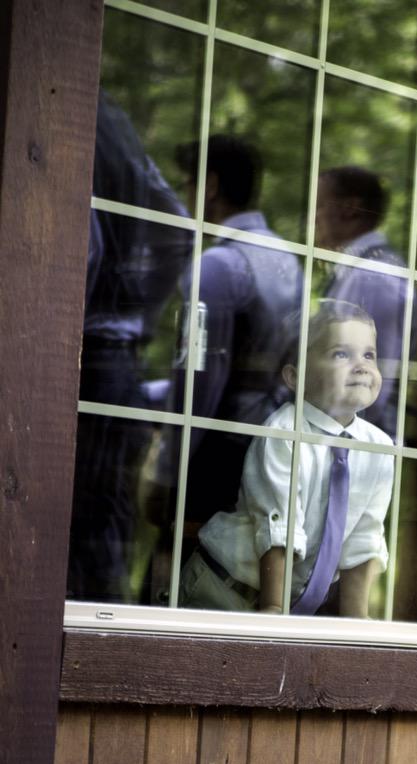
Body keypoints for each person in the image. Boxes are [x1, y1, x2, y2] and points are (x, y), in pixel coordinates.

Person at [179, 301, 394, 618]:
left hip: (286, 606)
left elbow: (365, 539)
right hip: (223, 591)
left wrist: (357, 623)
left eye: (368, 355)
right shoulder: (284, 433)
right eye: (341, 354)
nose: (361, 366)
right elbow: (278, 528)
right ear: (296, 377)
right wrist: (274, 610)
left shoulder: (378, 446)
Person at [67, 91, 191, 602]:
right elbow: (179, 228)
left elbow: (88, 241)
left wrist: (99, 306)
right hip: (113, 353)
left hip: (89, 348)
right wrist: (135, 308)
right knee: (101, 512)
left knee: (80, 512)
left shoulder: (83, 114)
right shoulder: (116, 126)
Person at [149, 134, 303, 525]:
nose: (187, 193)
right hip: (272, 447)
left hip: (216, 455)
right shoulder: (289, 261)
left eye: (189, 182)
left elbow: (199, 377)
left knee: (182, 576)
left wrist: (168, 470)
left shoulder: (219, 264)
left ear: (211, 186)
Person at [315, 165, 414, 439]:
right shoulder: (359, 270)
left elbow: (367, 382)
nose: (313, 218)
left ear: (350, 208)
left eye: (319, 206)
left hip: (354, 452)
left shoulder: (375, 276)